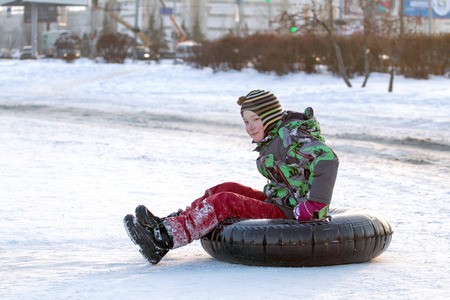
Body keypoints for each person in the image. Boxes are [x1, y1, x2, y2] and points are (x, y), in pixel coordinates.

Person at [124, 89, 339, 265]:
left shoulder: (290, 138)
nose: (250, 127)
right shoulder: (274, 137)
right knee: (224, 188)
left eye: (256, 119)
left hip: (294, 212)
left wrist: (315, 204)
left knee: (225, 202)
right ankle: (167, 224)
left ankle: (164, 239)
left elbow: (327, 159)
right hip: (280, 201)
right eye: (246, 121)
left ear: (271, 117)